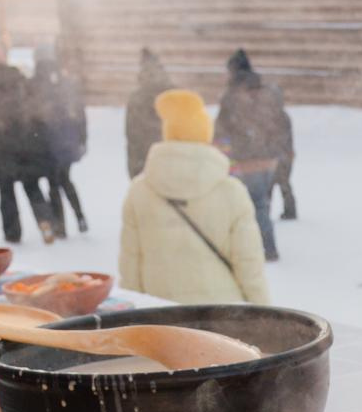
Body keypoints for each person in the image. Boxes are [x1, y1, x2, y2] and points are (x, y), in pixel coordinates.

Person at [119, 89, 270, 304]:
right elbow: (249, 266)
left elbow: (130, 268)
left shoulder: (139, 192)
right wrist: (265, 315)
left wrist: (134, 319)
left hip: (162, 319)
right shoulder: (231, 192)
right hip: (222, 318)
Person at [0, 38, 55, 245]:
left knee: (6, 191)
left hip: (0, 145)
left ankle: (12, 233)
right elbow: (33, 109)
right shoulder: (18, 77)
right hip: (23, 141)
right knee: (31, 185)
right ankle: (45, 222)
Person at [213, 49, 290, 261]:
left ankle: (260, 249)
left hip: (246, 160)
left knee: (248, 206)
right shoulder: (267, 92)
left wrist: (222, 156)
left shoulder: (231, 97)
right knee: (261, 203)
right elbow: (279, 123)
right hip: (269, 158)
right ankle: (265, 247)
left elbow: (221, 131)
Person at [32, 44, 89, 238]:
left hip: (47, 143)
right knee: (65, 180)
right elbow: (80, 113)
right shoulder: (65, 81)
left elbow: (31, 116)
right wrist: (81, 138)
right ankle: (80, 216)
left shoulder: (36, 83)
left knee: (54, 184)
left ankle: (60, 225)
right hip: (67, 142)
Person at [125, 49, 172, 178]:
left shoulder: (137, 98)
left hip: (145, 163)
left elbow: (132, 137)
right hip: (173, 164)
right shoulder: (175, 94)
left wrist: (134, 171)